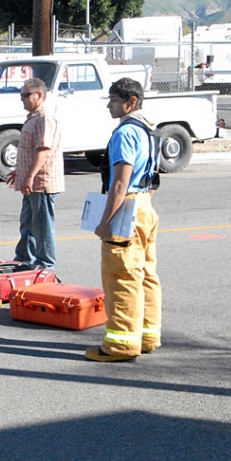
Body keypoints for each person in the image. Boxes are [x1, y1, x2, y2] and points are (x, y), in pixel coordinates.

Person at [86, 77, 161, 362]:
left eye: (114, 101)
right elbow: (153, 177)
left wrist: (106, 221)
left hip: (127, 207)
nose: (109, 106)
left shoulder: (125, 133)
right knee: (145, 275)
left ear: (131, 102)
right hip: (144, 205)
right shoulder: (147, 129)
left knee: (122, 277)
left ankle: (120, 344)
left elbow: (120, 182)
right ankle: (148, 334)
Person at [5, 78, 64, 270]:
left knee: (42, 227)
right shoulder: (34, 117)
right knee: (28, 224)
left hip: (41, 183)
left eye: (25, 95)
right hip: (31, 182)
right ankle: (24, 259)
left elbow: (43, 149)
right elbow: (31, 150)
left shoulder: (45, 118)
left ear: (39, 95)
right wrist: (20, 172)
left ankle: (45, 265)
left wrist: (30, 176)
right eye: (21, 95)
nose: (22, 99)